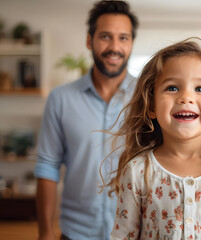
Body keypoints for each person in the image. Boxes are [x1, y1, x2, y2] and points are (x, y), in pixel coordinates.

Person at [104, 38, 201, 239]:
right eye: (172, 88)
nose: (185, 97)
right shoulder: (138, 171)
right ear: (151, 107)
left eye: (200, 89)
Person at [34, 1, 139, 240]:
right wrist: (45, 232)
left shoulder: (147, 98)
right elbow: (47, 167)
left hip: (133, 232)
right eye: (105, 36)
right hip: (76, 233)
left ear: (131, 43)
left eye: (123, 38)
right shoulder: (60, 99)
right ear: (89, 40)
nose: (115, 47)